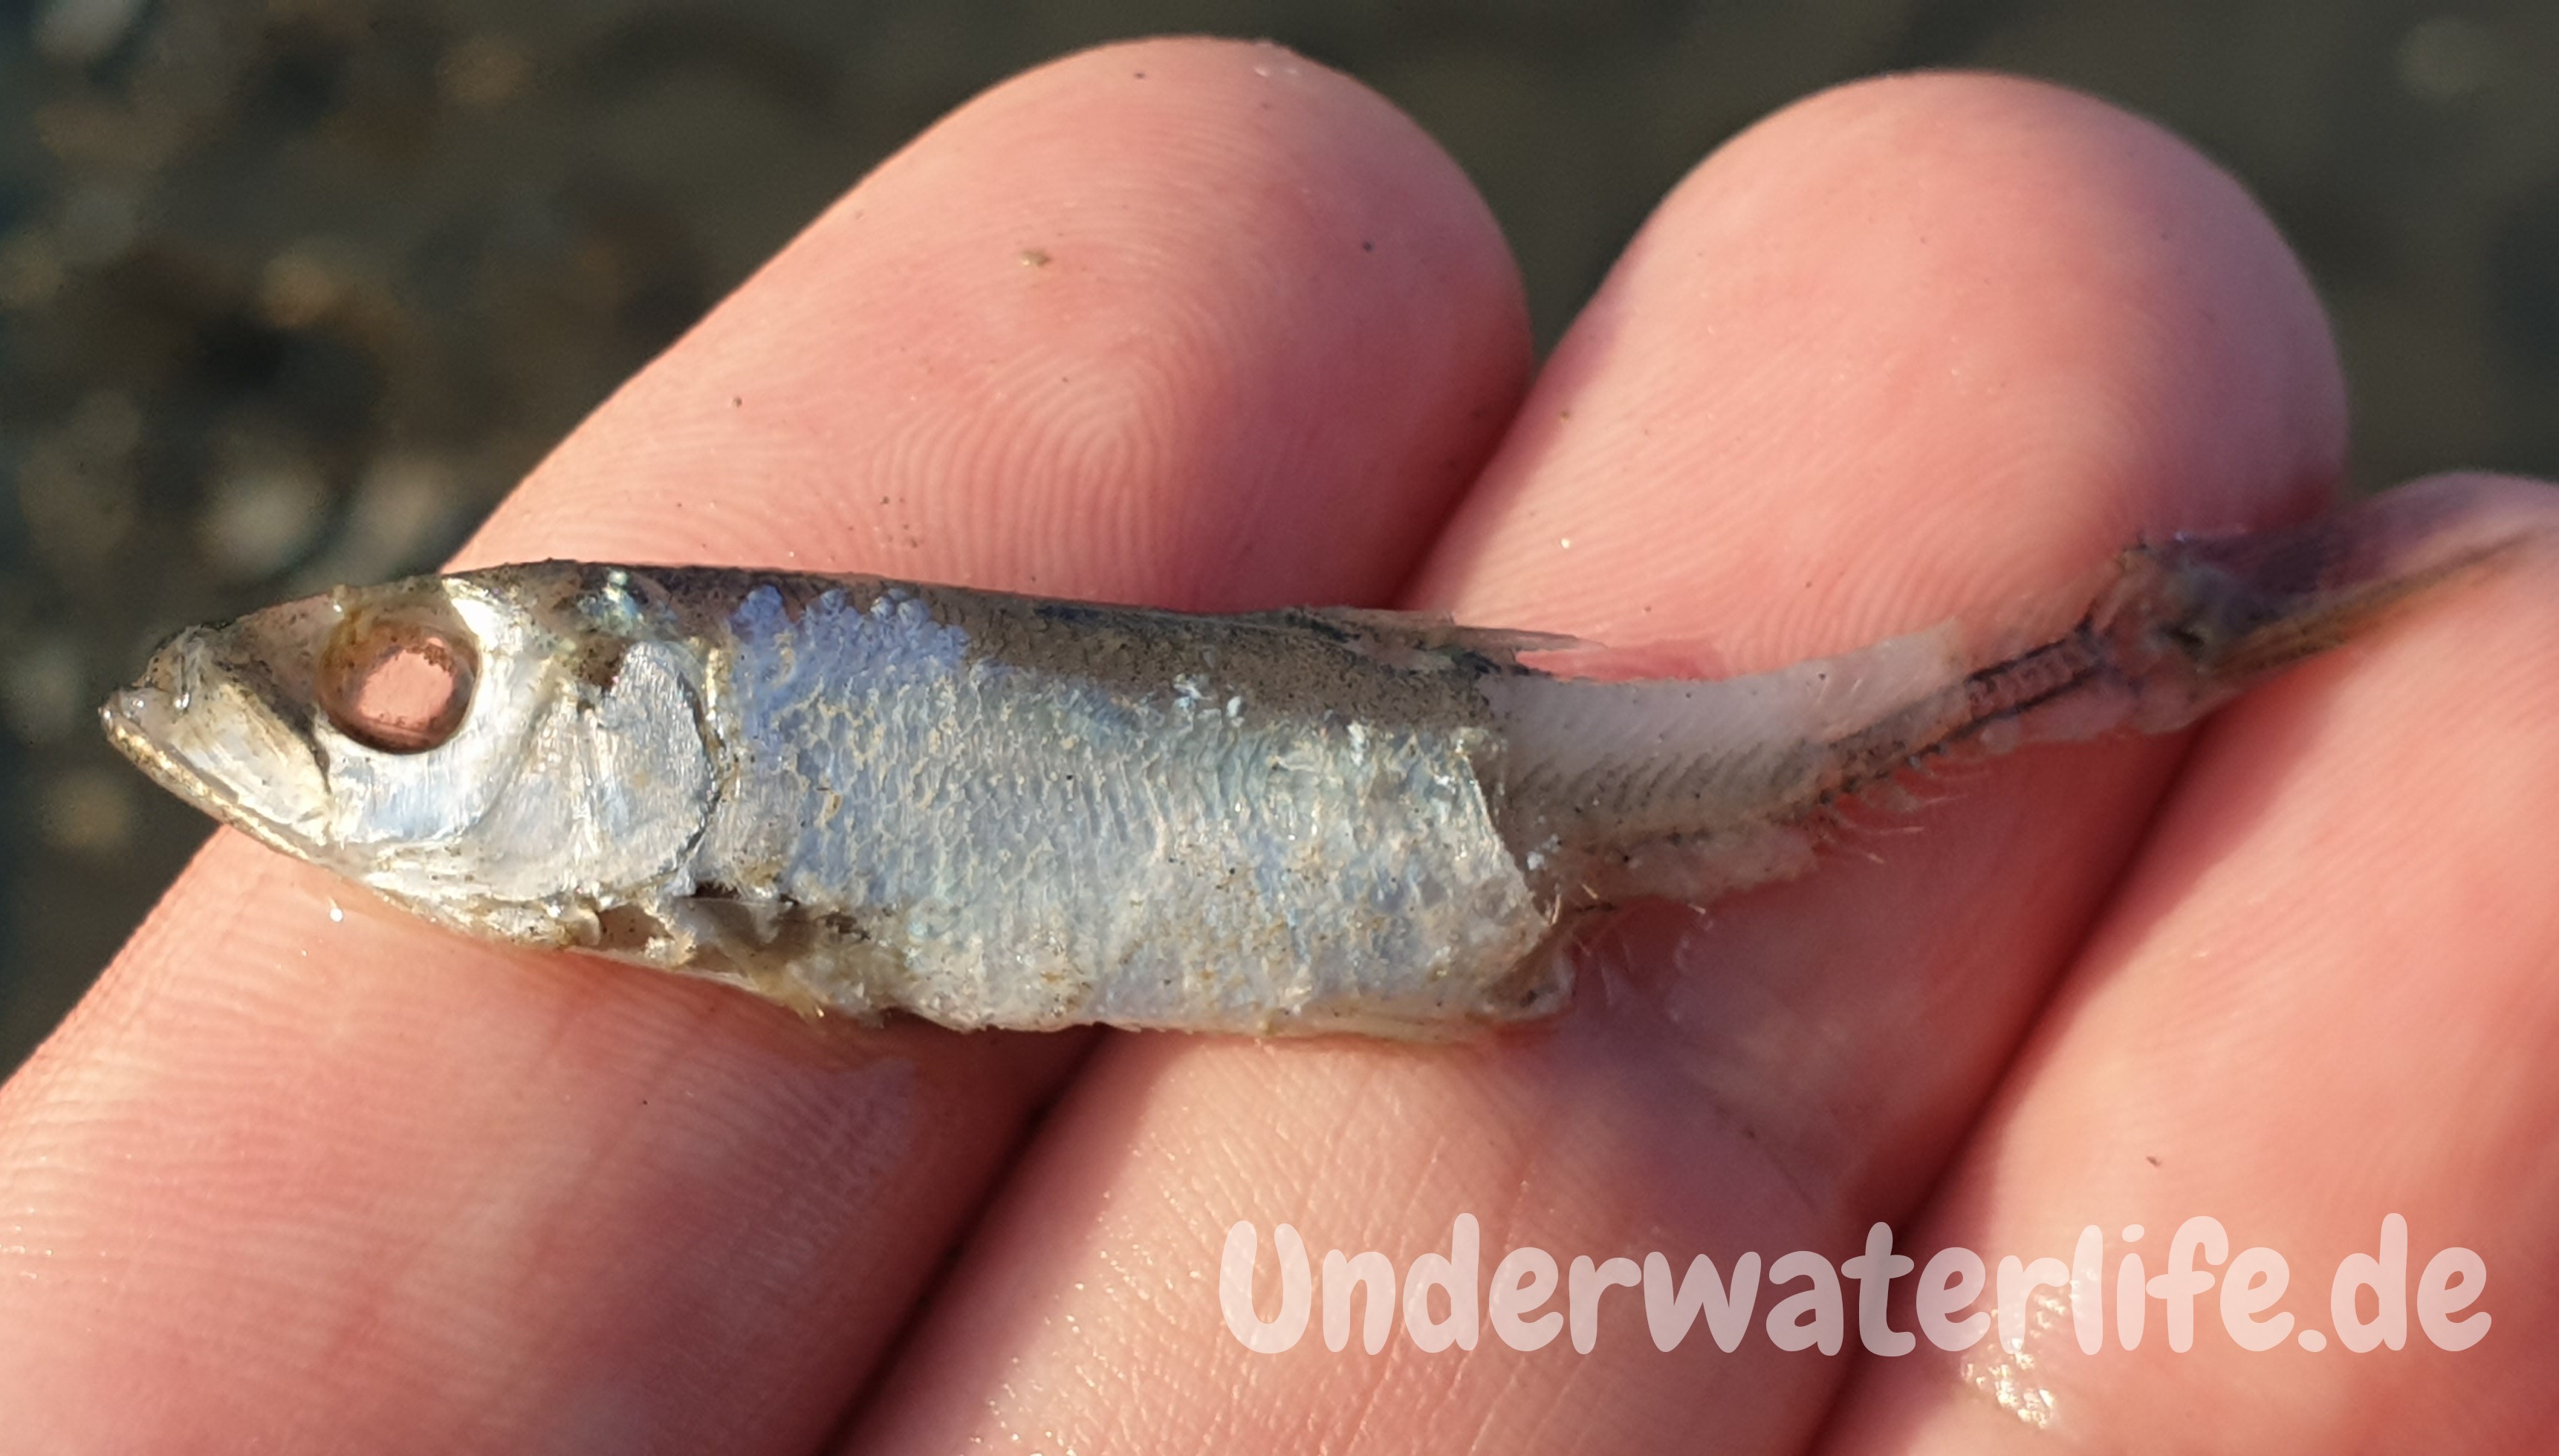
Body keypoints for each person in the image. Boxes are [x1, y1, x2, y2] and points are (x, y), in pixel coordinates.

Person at [1, 38, 2550, 1453]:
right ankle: (2129, 657)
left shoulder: (717, 787)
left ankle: (2128, 657)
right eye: (398, 696)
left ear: (653, 703)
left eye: (409, 693)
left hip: (1395, 801)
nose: (356, 709)